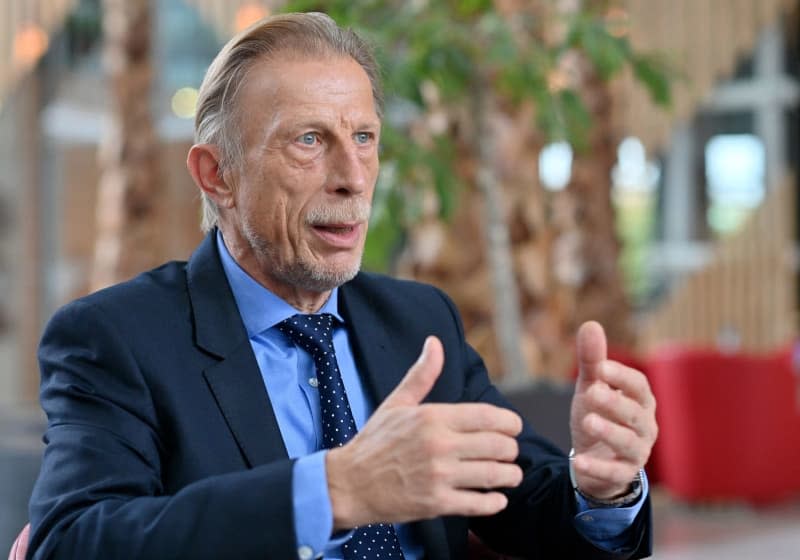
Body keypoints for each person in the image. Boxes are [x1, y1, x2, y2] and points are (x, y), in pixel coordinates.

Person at [28, 12, 657, 560]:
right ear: (217, 175)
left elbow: (522, 498)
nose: (353, 179)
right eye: (309, 140)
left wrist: (600, 488)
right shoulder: (117, 338)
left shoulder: (419, 322)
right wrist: (336, 490)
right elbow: (73, 540)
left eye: (364, 138)